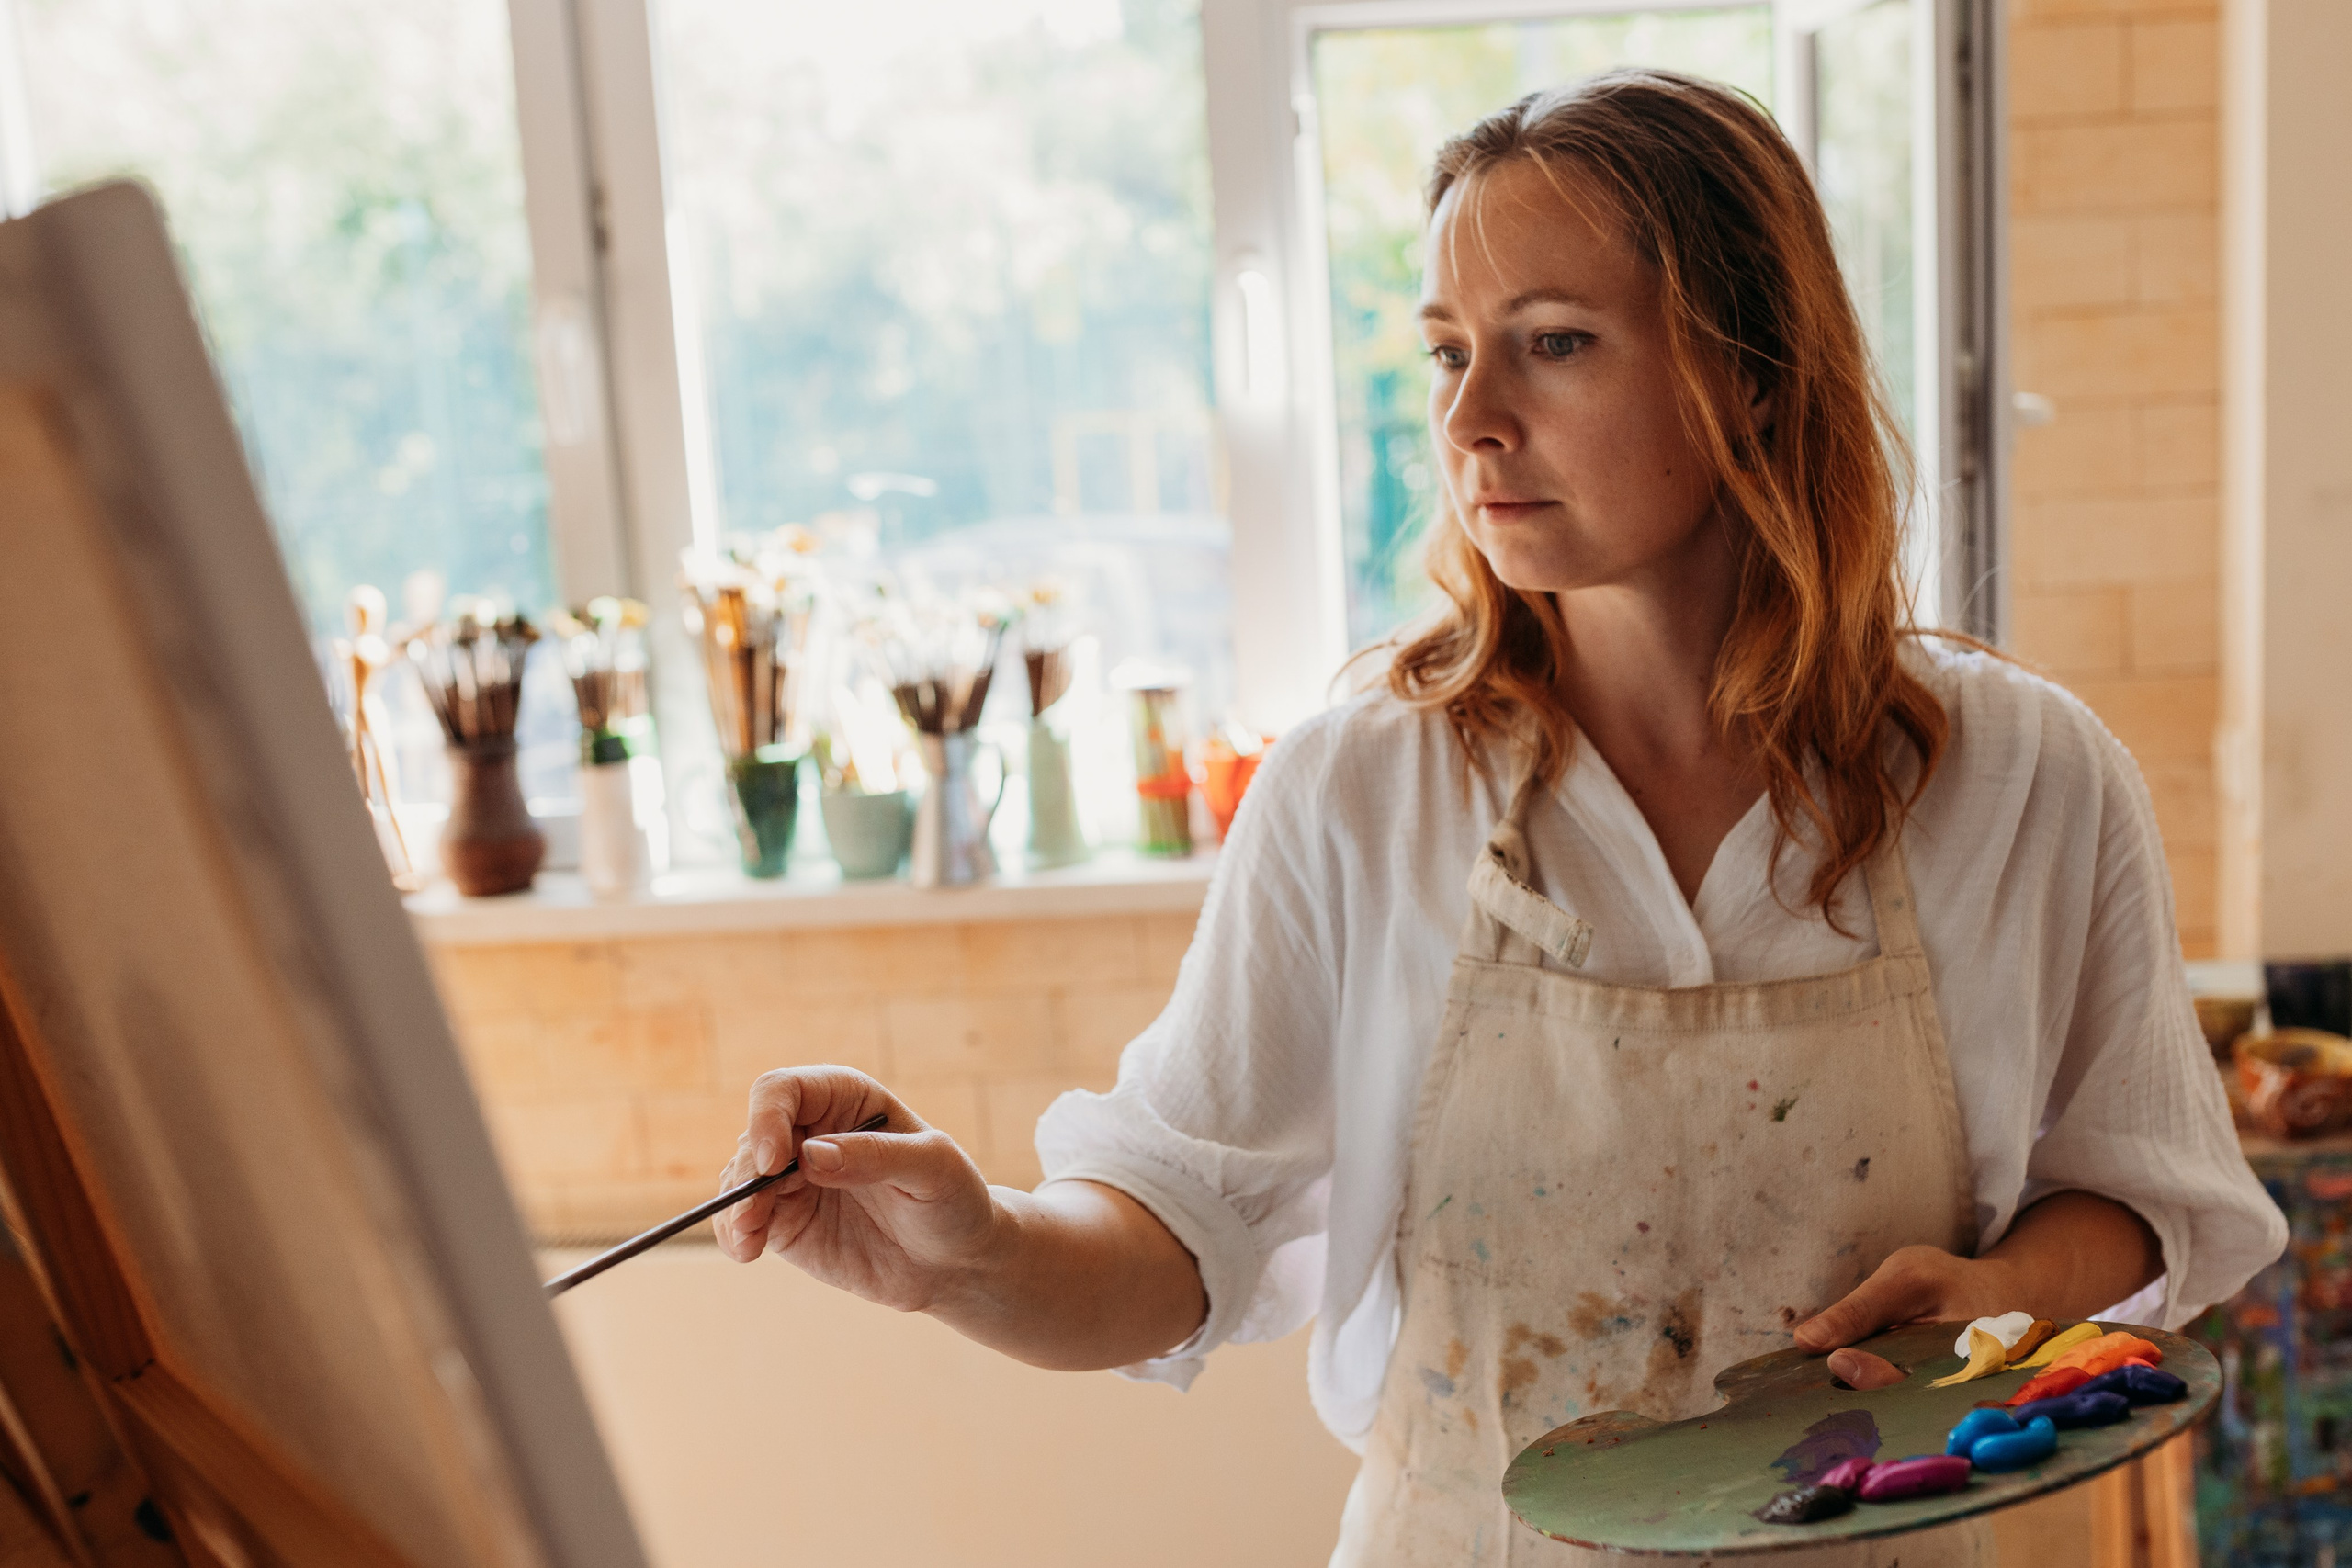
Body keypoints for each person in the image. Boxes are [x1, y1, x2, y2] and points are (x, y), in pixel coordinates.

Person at [711, 70, 2284, 1566]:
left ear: (1752, 369)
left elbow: (2143, 1192)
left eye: (1554, 343)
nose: (1471, 419)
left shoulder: (2025, 777)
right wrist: (971, 1245)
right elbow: (1171, 1239)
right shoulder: (1362, 788)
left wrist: (2008, 1287)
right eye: (1447, 351)